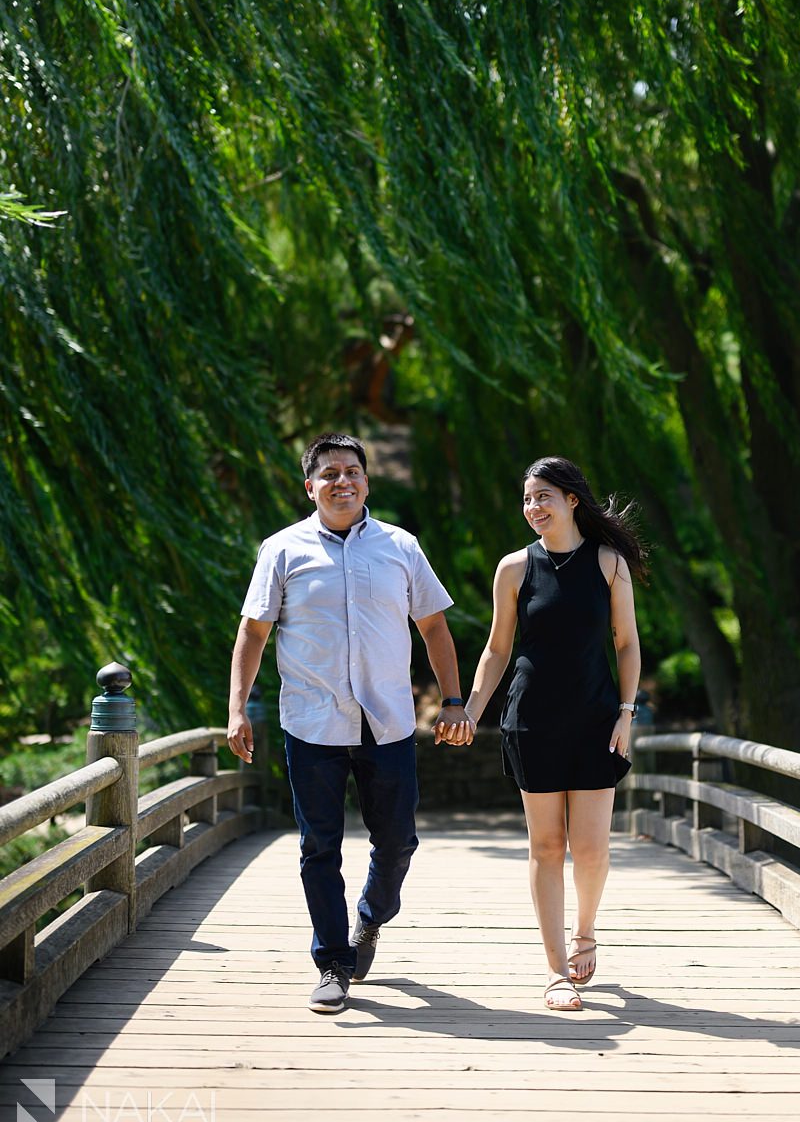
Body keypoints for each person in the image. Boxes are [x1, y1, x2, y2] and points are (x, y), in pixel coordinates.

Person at [227, 432, 470, 1013]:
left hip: (386, 721)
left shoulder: (400, 546)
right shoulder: (282, 550)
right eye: (330, 473)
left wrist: (454, 700)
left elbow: (433, 627)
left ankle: (370, 918)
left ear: (367, 481)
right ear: (309, 486)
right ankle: (333, 961)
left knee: (398, 841)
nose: (343, 481)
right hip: (312, 723)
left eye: (353, 472)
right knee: (319, 847)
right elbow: (253, 633)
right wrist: (237, 708)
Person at [457, 456, 646, 1011]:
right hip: (531, 719)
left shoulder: (609, 564)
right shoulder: (514, 569)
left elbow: (627, 642)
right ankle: (556, 970)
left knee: (590, 848)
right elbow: (496, 650)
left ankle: (586, 932)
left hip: (594, 719)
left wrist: (626, 712)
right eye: (527, 499)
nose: (533, 507)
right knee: (545, 846)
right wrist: (469, 711)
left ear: (571, 500)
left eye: (543, 496)